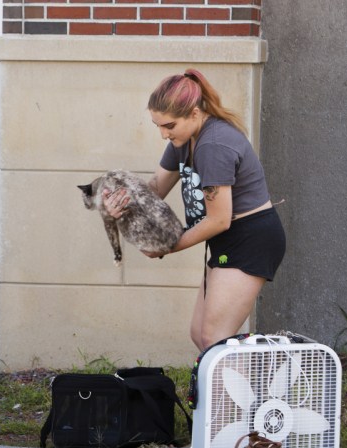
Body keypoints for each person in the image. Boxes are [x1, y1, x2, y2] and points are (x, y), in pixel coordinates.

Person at [103, 69, 286, 352]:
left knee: (214, 338)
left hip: (251, 240)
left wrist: (164, 247)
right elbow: (155, 188)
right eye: (158, 126)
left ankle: (255, 394)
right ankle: (225, 396)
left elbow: (219, 220)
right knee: (200, 334)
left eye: (169, 125)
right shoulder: (184, 139)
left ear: (195, 113)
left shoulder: (212, 145)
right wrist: (122, 205)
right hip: (229, 240)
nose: (164, 133)